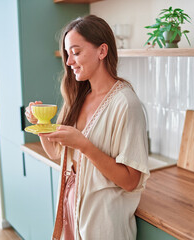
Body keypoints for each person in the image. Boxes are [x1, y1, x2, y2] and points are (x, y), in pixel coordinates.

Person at [25, 15, 149, 240]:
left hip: (103, 223)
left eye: (76, 52)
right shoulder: (79, 97)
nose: (69, 61)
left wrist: (84, 145)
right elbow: (56, 153)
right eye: (67, 54)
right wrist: (41, 125)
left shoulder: (125, 103)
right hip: (71, 214)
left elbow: (131, 181)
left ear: (102, 51)